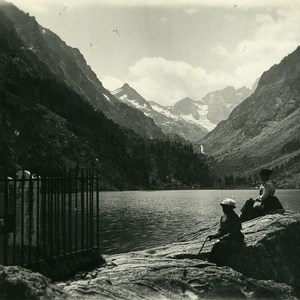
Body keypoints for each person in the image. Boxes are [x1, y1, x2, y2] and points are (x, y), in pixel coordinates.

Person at [207, 198, 244, 266]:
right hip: (227, 239)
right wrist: (213, 236)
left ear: (231, 208)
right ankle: (212, 263)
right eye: (223, 207)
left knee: (219, 245)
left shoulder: (235, 217)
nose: (223, 209)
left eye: (225, 207)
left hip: (235, 239)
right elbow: (220, 231)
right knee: (218, 244)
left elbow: (235, 232)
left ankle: (218, 263)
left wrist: (222, 238)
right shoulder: (223, 217)